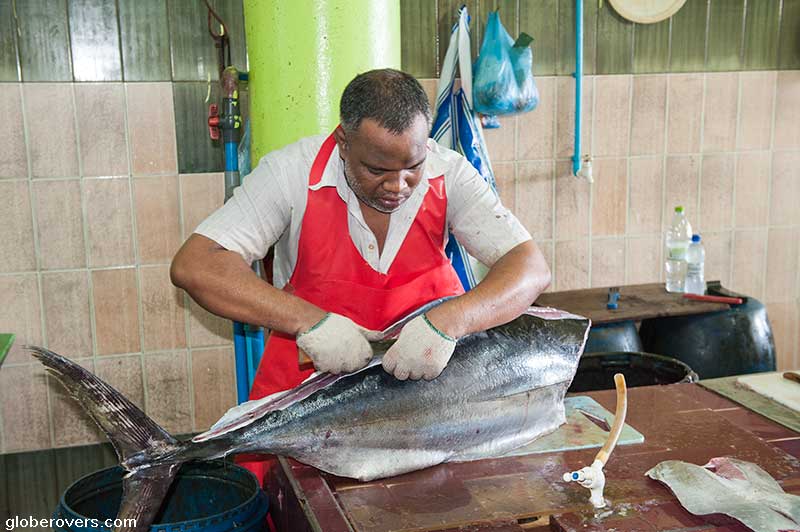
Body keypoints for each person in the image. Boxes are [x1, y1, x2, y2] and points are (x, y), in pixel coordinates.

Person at [171, 67, 550, 412]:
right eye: (377, 169)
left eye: (413, 167)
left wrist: (448, 322)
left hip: (424, 393)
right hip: (308, 394)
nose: (398, 186)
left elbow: (530, 269)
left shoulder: (450, 173)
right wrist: (310, 322)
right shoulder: (291, 173)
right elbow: (197, 264)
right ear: (343, 142)